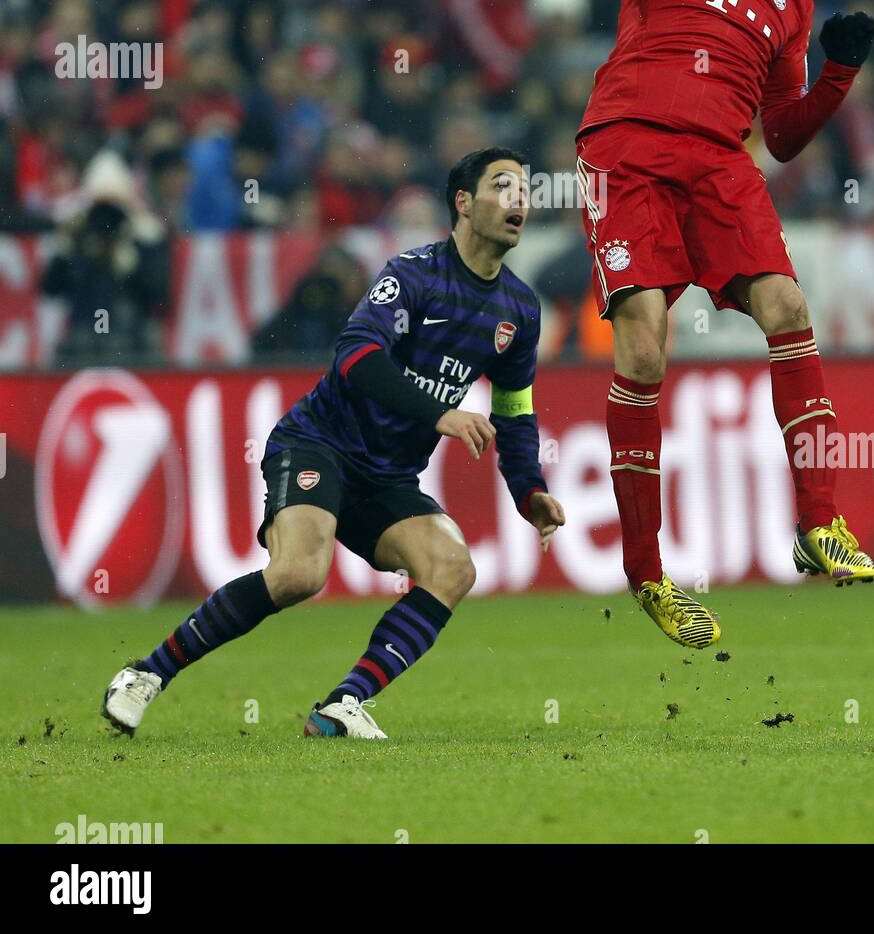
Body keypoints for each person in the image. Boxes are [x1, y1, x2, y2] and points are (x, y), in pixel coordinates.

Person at [558, 0, 874, 648]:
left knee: (788, 313)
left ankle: (819, 524)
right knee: (642, 348)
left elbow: (779, 134)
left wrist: (838, 74)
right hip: (628, 147)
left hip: (720, 163)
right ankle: (647, 572)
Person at [103, 149, 565, 739]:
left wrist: (529, 490)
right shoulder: (415, 274)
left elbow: (515, 410)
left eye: (526, 189)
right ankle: (145, 674)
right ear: (464, 203)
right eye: (503, 186)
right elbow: (356, 355)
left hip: (387, 479)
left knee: (452, 568)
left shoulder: (520, 309)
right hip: (319, 443)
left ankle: (342, 705)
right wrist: (440, 412)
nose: (520, 199)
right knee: (299, 573)